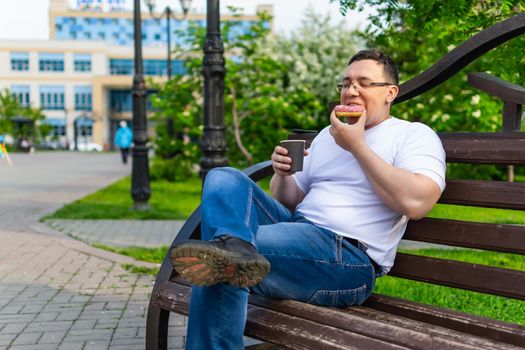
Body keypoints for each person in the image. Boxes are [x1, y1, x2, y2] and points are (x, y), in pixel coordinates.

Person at [171, 49, 447, 349]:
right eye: (346, 83)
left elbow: (418, 202)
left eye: (364, 83)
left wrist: (358, 146)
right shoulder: (330, 135)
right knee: (223, 178)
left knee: (223, 254)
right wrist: (284, 173)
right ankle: (234, 248)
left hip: (347, 258)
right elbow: (288, 201)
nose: (351, 90)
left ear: (390, 93)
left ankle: (234, 249)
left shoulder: (413, 135)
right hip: (297, 230)